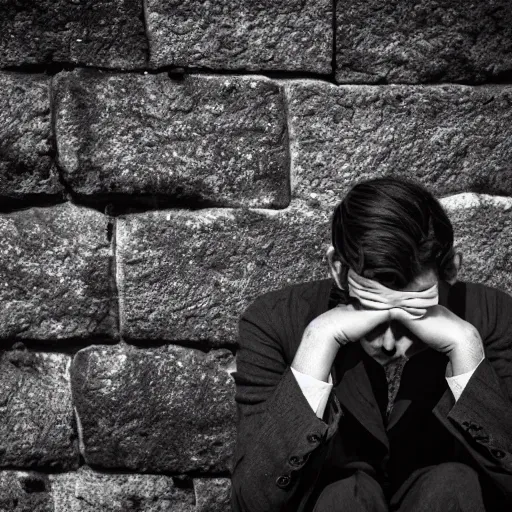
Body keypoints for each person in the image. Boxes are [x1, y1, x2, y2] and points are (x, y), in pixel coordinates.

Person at [230, 177, 512, 512]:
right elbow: (252, 504)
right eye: (371, 310)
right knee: (343, 496)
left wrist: (466, 349)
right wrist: (318, 341)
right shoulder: (275, 321)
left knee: (453, 483)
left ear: (450, 270)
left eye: (415, 310)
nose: (390, 342)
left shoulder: (492, 316)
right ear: (338, 270)